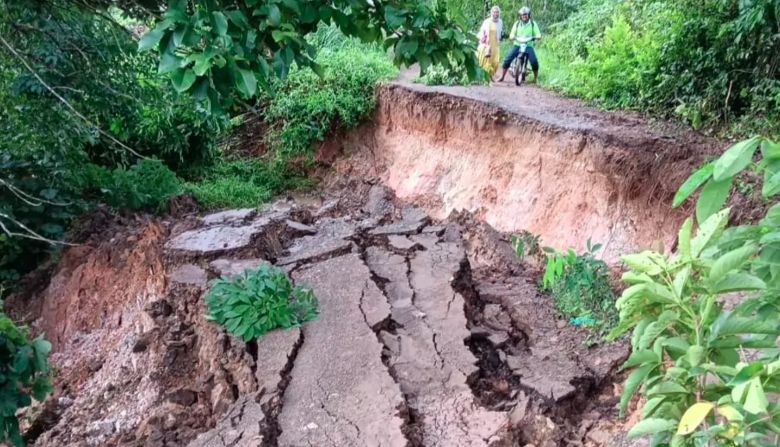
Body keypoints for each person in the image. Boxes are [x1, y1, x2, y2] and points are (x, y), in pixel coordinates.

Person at [499, 6, 542, 83]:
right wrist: (512, 37)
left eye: (525, 15)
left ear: (529, 15)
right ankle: (502, 76)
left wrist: (536, 37)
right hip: (517, 44)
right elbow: (512, 34)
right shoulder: (517, 24)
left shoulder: (533, 24)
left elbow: (538, 34)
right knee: (507, 59)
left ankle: (535, 78)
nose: (524, 16)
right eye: (522, 15)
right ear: (520, 16)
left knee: (534, 61)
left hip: (528, 45)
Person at [477, 6, 503, 81]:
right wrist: (483, 39)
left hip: (495, 44)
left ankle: (491, 75)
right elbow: (482, 31)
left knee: (496, 62)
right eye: (494, 12)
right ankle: (485, 77)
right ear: (491, 13)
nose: (496, 14)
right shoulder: (487, 21)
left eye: (497, 12)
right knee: (486, 60)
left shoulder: (500, 22)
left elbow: (500, 32)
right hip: (487, 43)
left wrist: (499, 40)